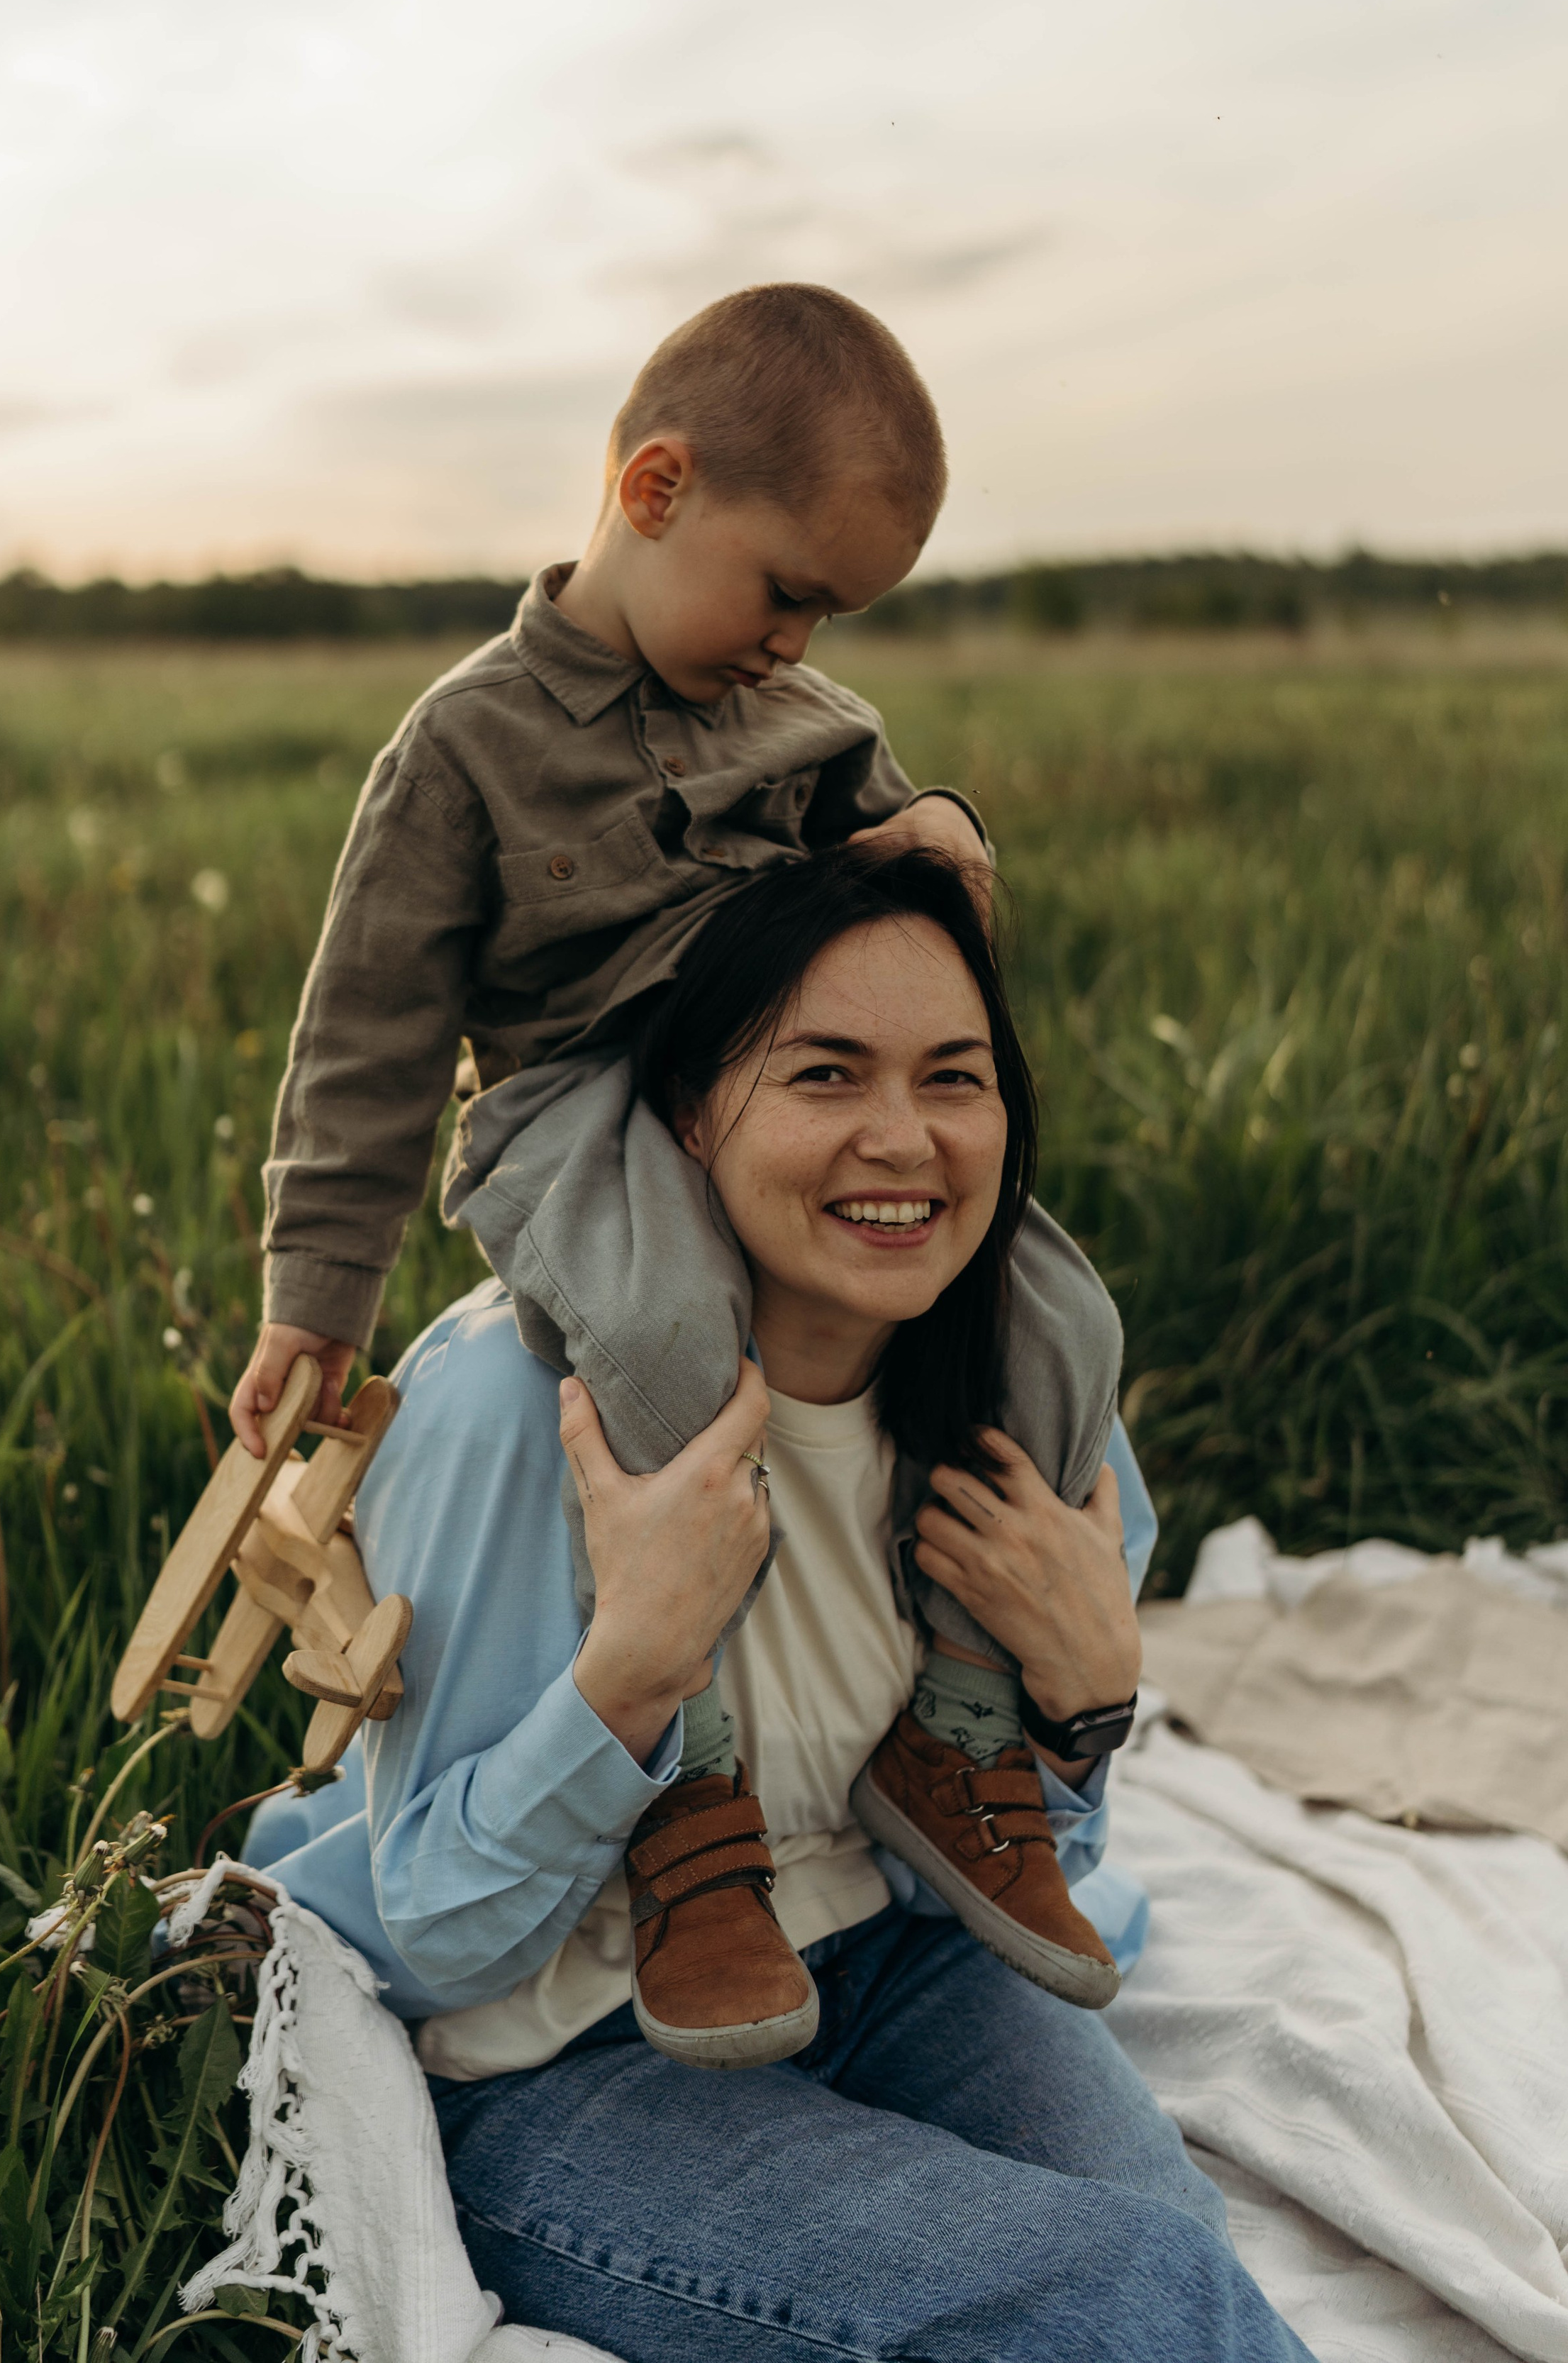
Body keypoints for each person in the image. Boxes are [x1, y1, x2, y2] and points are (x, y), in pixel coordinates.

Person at [241, 847, 1313, 2363]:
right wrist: (627, 1675)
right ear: (688, 1115)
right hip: (557, 2050)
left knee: (1175, 2263)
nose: (903, 1140)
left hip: (886, 1951)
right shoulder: (508, 1406)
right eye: (823, 1074)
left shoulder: (1019, 1397)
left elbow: (1002, 1872)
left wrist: (1081, 1713)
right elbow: (431, 1949)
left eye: (953, 1077)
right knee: (1124, 2299)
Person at [232, 283, 1125, 2057]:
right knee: (660, 1333)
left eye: (833, 615)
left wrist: (946, 837)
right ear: (653, 492)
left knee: (1051, 1307)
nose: (796, 644)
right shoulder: (467, 747)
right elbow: (370, 1038)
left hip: (764, 1098)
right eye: (785, 589)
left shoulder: (805, 723)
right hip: (578, 1115)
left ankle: (956, 1725)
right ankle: (689, 1808)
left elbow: (918, 905)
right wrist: (318, 1294)